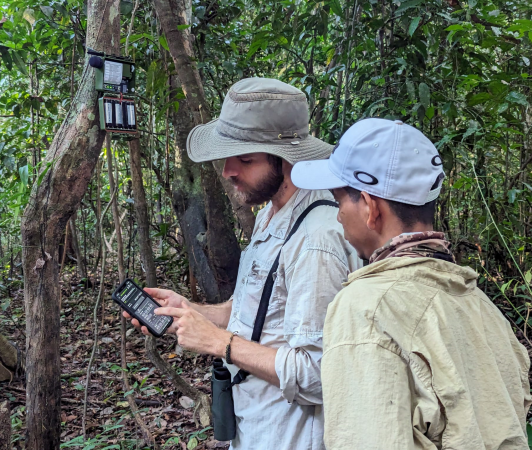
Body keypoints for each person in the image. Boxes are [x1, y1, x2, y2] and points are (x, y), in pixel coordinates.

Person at [124, 77, 361, 450]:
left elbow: (317, 375)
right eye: (228, 155)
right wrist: (190, 312)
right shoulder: (272, 213)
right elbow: (258, 311)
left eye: (246, 158)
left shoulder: (316, 239)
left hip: (292, 435)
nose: (228, 170)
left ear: (286, 159)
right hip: (257, 423)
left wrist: (218, 342)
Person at [291, 118, 532, 450]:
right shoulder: (479, 303)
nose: (337, 215)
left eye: (339, 201)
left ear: (370, 208)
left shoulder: (365, 307)